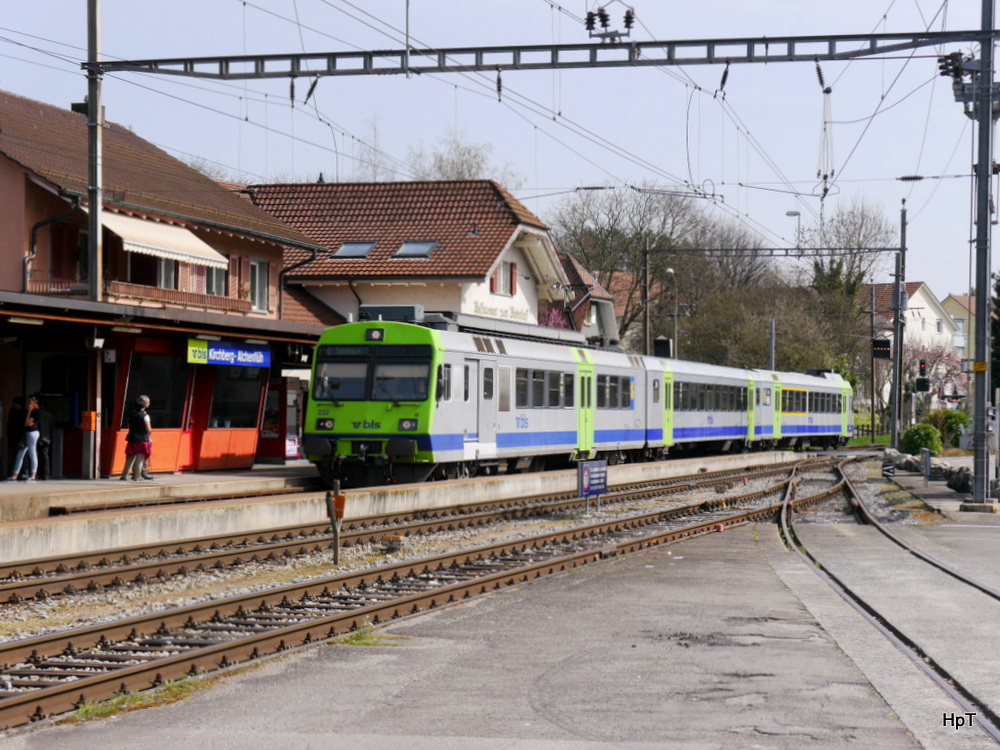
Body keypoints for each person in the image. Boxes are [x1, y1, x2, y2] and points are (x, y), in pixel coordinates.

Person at [120, 395, 153, 481]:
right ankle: (137, 476)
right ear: (143, 405)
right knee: (139, 459)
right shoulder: (145, 416)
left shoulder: (131, 415)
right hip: (142, 440)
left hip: (132, 439)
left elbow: (129, 427)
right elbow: (149, 429)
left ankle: (124, 475)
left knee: (130, 458)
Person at [6, 396, 40, 482]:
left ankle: (33, 475)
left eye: (30, 402)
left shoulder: (36, 412)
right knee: (20, 454)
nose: (28, 404)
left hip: (32, 433)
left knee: (32, 453)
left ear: (35, 403)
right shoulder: (24, 411)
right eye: (28, 402)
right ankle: (14, 475)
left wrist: (29, 411)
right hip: (25, 434)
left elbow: (27, 423)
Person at [33, 395, 55, 480]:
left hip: (37, 437)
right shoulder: (49, 415)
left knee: (35, 456)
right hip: (47, 438)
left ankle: (35, 474)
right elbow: (53, 427)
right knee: (45, 456)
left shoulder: (36, 414)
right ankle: (46, 474)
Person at [6, 397, 25, 479]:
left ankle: (21, 473)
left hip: (20, 436)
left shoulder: (24, 412)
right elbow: (9, 423)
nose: (14, 405)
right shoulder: (12, 411)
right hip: (12, 436)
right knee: (12, 455)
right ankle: (10, 472)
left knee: (20, 455)